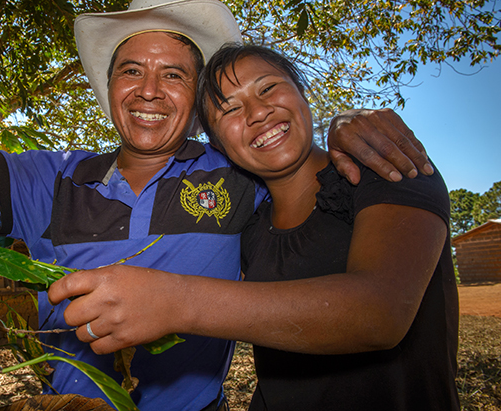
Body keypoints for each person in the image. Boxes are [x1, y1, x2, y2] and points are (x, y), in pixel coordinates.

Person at [0, 0, 433, 411]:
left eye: (174, 74)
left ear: (196, 103)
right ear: (109, 88)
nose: (150, 90)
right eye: (132, 70)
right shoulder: (50, 179)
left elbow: (292, 155)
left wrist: (348, 122)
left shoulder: (236, 178)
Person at [48, 44, 459, 410]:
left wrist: (175, 301)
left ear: (302, 94)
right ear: (218, 146)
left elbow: (380, 313)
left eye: (268, 89)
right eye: (229, 109)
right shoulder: (248, 225)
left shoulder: (385, 167)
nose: (258, 113)